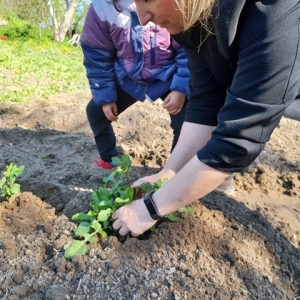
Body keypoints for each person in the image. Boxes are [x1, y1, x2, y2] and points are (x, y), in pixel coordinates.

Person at [112, 0, 300, 236]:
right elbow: (206, 103)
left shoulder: (273, 8)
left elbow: (238, 141)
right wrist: (168, 173)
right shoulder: (192, 21)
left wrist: (149, 209)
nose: (142, 18)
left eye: (148, 0)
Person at [81, 0, 190, 170]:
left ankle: (176, 169)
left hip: (168, 75)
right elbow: (97, 55)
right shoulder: (102, 7)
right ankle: (109, 159)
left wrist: (180, 89)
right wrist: (105, 96)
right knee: (95, 112)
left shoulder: (171, 3)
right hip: (129, 78)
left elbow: (187, 50)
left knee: (186, 120)